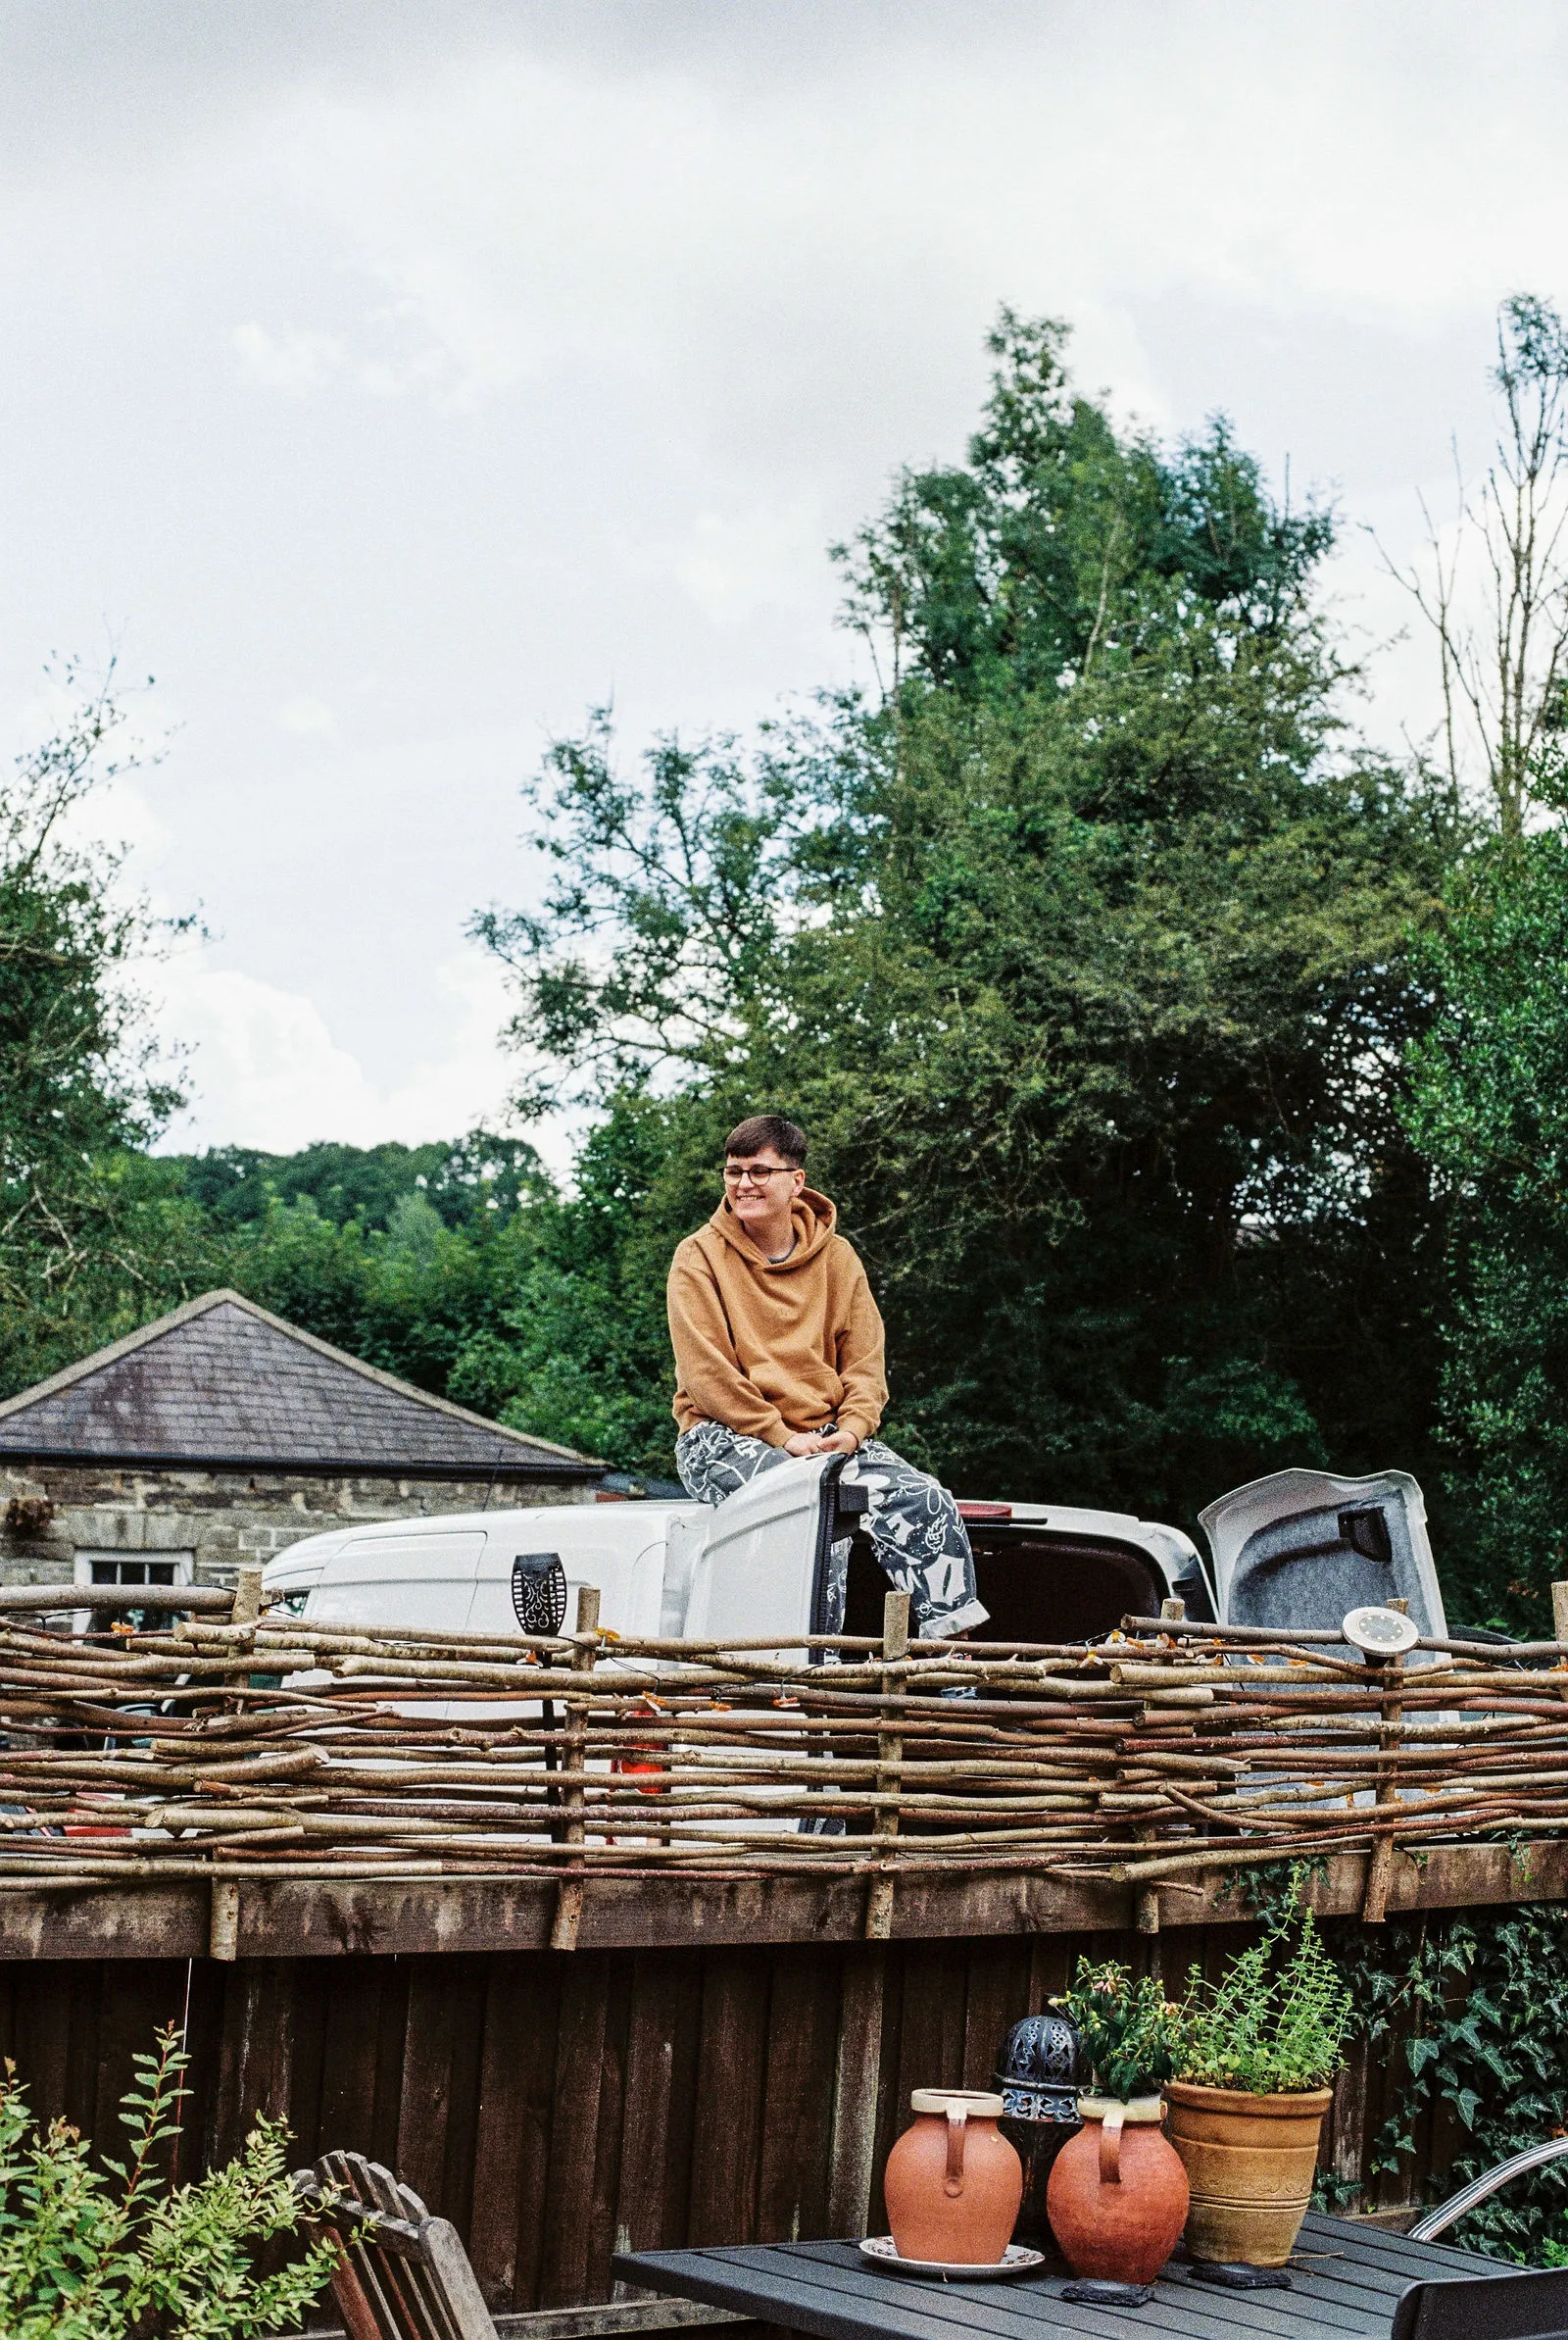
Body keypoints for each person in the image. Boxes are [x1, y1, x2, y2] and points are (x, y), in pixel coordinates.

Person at [665, 1111, 987, 1639]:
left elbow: (864, 1363)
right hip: (721, 1437)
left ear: (796, 1181)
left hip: (825, 1440)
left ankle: (948, 1676)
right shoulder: (697, 1257)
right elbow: (708, 1375)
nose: (743, 1183)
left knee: (926, 1498)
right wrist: (780, 1436)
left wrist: (852, 1431)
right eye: (733, 1171)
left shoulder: (837, 1259)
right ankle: (816, 1676)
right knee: (812, 1514)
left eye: (759, 1171)